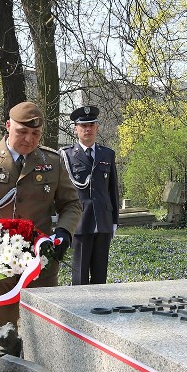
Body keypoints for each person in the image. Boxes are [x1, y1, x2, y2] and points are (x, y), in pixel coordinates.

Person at [0, 101, 81, 350]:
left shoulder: (52, 161)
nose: (29, 139)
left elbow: (71, 205)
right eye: (22, 132)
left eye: (35, 134)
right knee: (1, 332)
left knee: (45, 333)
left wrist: (64, 232)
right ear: (8, 126)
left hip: (39, 262)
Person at [60, 105, 120, 285]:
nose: (88, 129)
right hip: (79, 223)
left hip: (103, 221)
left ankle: (99, 309)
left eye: (91, 125)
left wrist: (114, 220)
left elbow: (112, 190)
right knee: (79, 276)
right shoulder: (66, 156)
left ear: (97, 128)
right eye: (83, 126)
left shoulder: (107, 154)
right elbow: (61, 193)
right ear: (75, 129)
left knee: (101, 275)